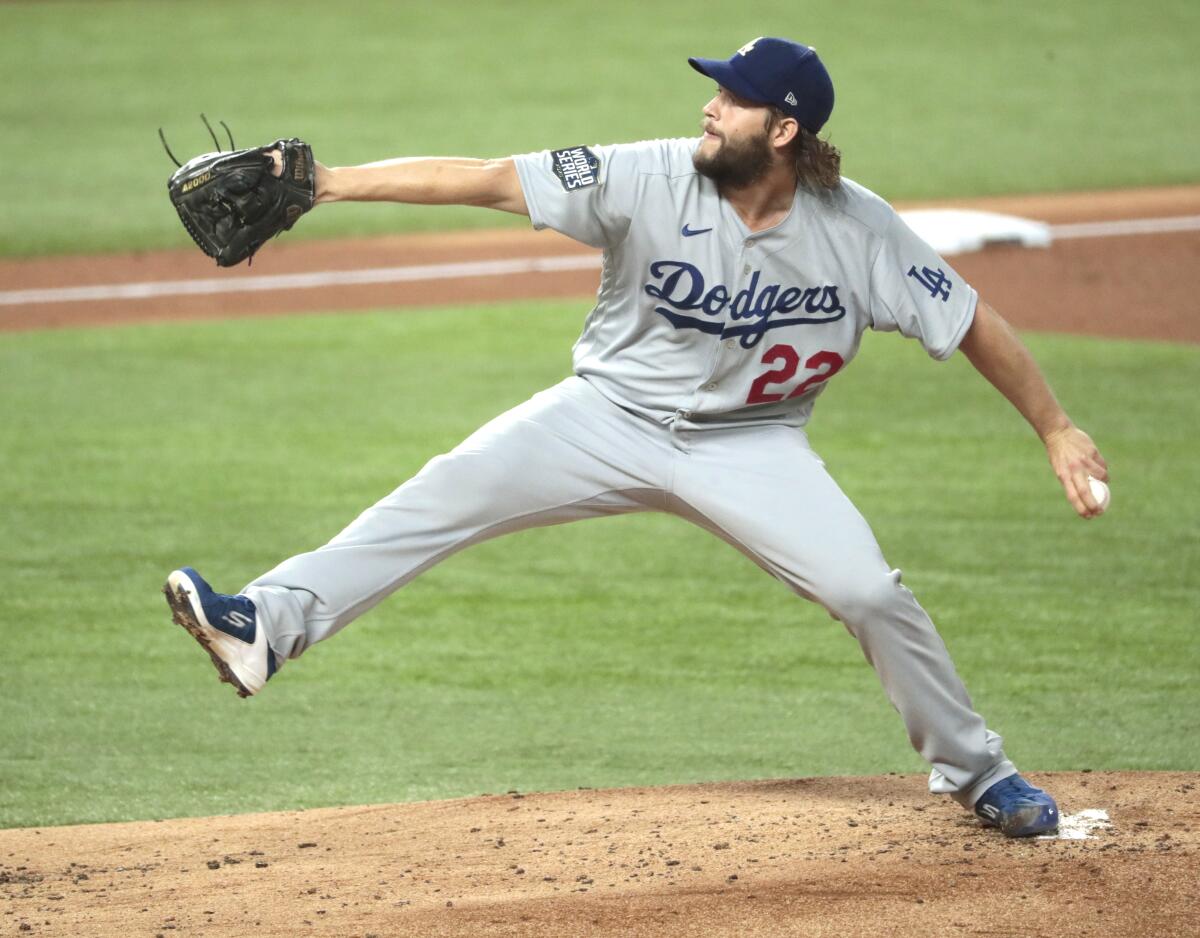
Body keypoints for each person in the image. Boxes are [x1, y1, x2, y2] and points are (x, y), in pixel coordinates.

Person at [164, 37, 1109, 838]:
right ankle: (263, 626)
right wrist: (328, 184)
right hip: (604, 418)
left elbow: (974, 320)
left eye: (734, 98)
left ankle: (978, 773)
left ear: (783, 130)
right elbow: (489, 179)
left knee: (869, 591)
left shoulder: (861, 230)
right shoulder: (646, 172)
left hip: (753, 446)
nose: (709, 106)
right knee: (440, 494)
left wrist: (1057, 427)